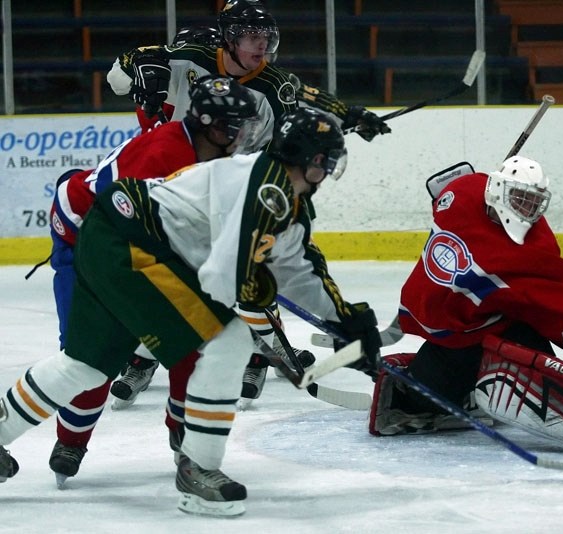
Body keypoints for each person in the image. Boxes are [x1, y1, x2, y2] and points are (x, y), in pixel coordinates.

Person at [0, 107, 382, 517]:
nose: (328, 172)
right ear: (313, 161)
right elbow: (224, 279)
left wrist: (347, 321)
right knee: (228, 339)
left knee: (85, 365)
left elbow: (299, 267)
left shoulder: (278, 192)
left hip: (109, 233)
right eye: (327, 161)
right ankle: (198, 469)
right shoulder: (266, 189)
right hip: (131, 247)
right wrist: (257, 298)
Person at [106, 0, 390, 406]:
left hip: (234, 183)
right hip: (181, 187)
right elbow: (132, 65)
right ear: (227, 39)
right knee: (183, 275)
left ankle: (248, 349)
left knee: (256, 257)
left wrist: (349, 114)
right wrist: (139, 71)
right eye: (252, 37)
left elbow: (302, 94)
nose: (261, 45)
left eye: (265, 37)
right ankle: (153, 354)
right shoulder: (186, 64)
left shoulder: (271, 85)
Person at [368, 157, 563, 459]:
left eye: (534, 201)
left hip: (500, 325)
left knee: (534, 373)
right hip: (450, 332)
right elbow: (447, 189)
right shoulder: (464, 193)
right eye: (519, 198)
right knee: (425, 395)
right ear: (496, 190)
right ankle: (438, 394)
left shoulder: (525, 242)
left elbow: (558, 291)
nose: (528, 209)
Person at [46, 75, 259, 485]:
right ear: (215, 127)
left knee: (195, 344)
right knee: (90, 356)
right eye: (238, 126)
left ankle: (187, 443)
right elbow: (124, 234)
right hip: (84, 239)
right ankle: (70, 438)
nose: (245, 135)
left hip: (129, 241)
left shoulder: (207, 152)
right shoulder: (164, 158)